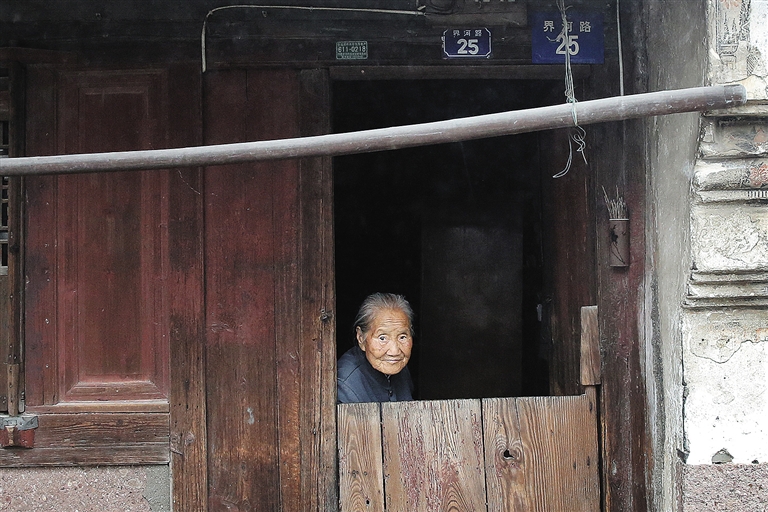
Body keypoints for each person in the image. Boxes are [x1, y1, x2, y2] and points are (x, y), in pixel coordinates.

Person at [337, 292, 415, 403]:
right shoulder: (346, 385)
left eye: (402, 337)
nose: (395, 351)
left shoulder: (397, 365)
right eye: (382, 338)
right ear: (361, 338)